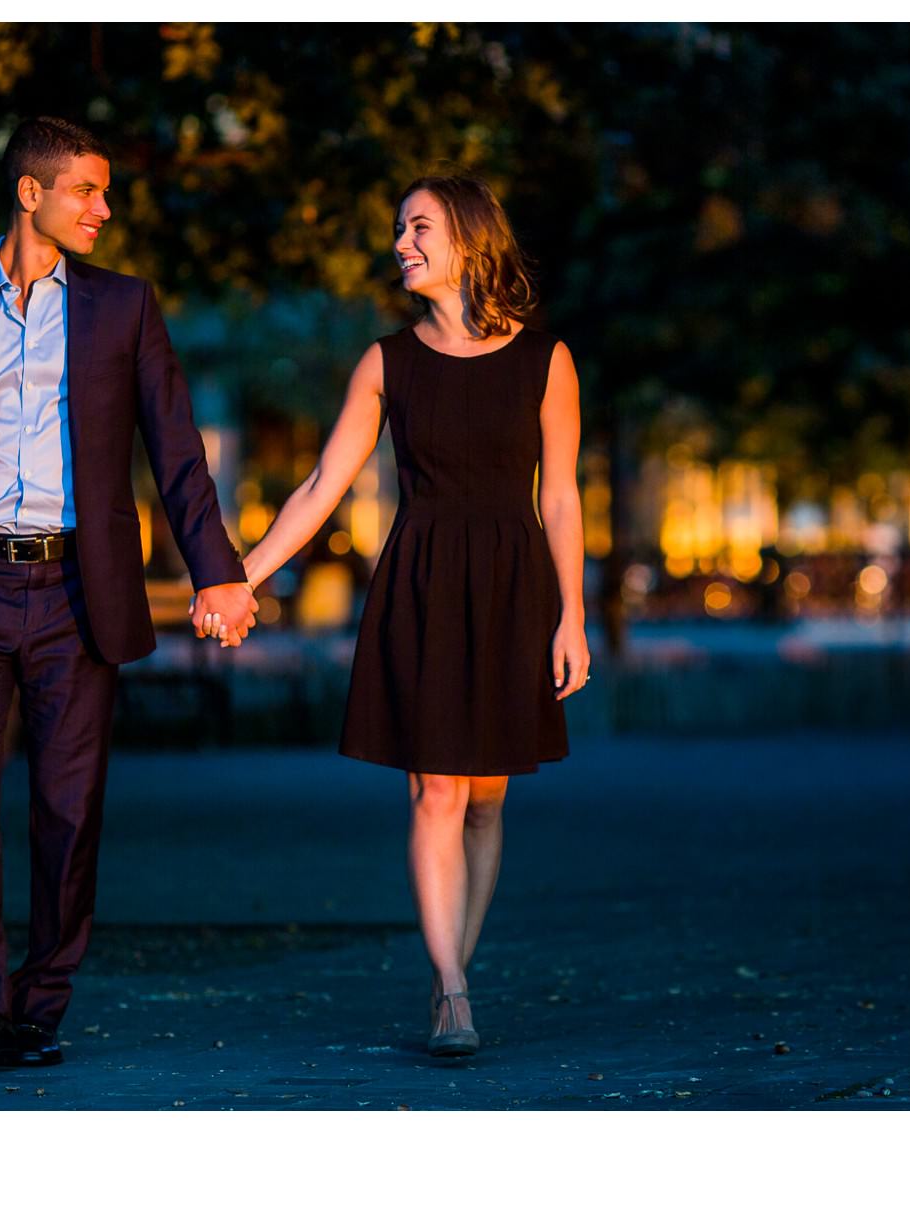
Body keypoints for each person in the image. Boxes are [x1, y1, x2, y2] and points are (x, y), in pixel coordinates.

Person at [0, 117, 257, 1068]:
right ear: (30, 193)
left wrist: (219, 570)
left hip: (79, 592)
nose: (105, 210)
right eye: (87, 190)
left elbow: (176, 449)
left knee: (70, 811)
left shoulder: (124, 308)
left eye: (106, 191)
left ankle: (39, 1004)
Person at [203, 174, 589, 1057]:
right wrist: (244, 578)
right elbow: (319, 487)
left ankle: (454, 959)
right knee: (437, 789)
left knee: (488, 799)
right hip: (421, 581)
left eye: (419, 227)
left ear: (469, 239)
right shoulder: (386, 362)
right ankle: (451, 987)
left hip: (512, 584)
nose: (401, 244)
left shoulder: (547, 359)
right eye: (398, 230)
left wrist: (573, 617)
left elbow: (561, 499)